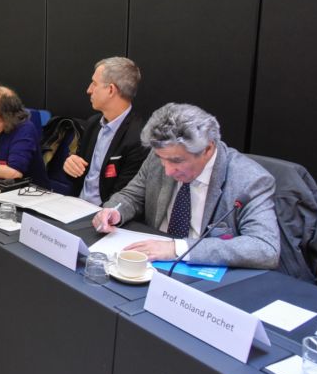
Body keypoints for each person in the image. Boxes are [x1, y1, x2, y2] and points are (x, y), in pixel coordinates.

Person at [92, 103, 280, 269]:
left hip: (203, 274)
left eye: (177, 161)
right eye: (162, 159)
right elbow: (131, 196)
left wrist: (177, 248)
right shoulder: (160, 157)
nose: (167, 171)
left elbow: (265, 247)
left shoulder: (249, 180)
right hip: (150, 264)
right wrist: (114, 211)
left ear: (207, 149)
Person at [63, 57, 148, 205]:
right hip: (77, 205)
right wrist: (70, 166)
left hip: (105, 212)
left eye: (94, 84)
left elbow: (125, 198)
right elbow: (78, 178)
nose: (89, 90)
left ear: (111, 90)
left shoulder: (139, 138)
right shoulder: (93, 124)